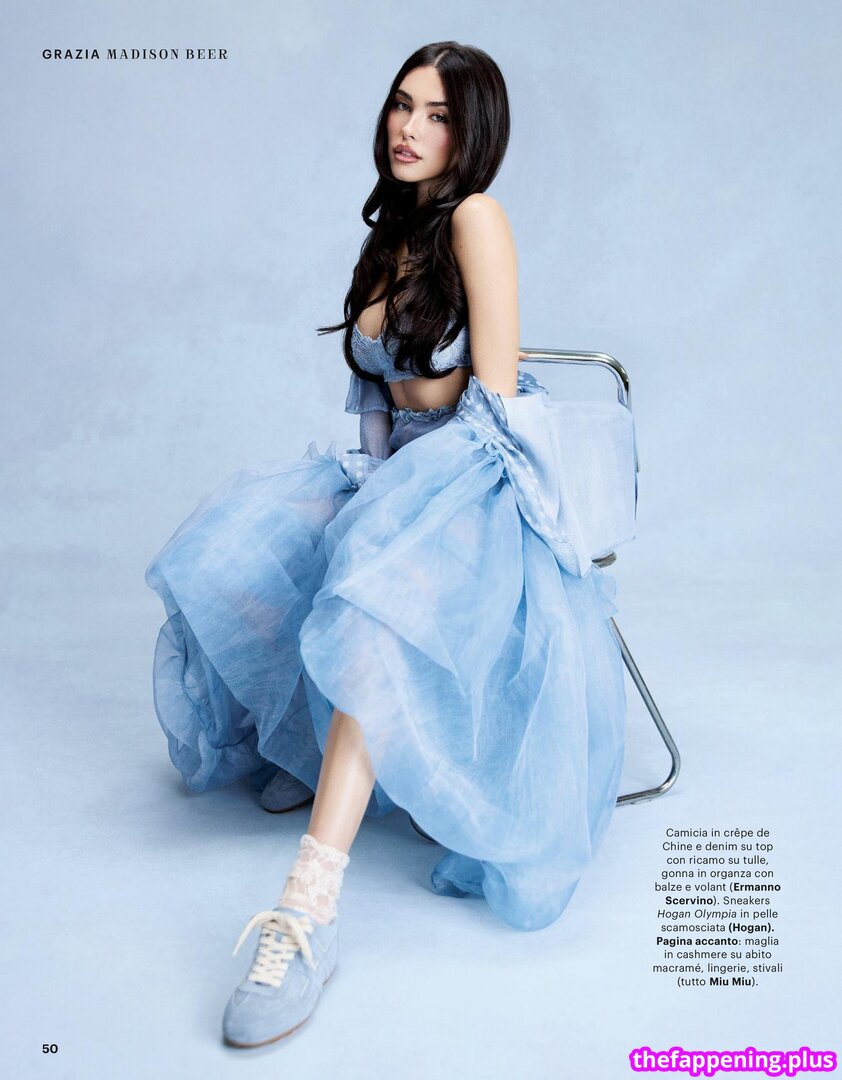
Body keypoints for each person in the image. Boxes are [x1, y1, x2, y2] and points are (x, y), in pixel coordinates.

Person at [144, 41, 627, 1050]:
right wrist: (364, 486)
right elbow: (370, 399)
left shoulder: (477, 218)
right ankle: (305, 740)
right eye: (402, 105)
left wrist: (403, 504)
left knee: (369, 605)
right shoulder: (390, 236)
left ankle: (308, 908)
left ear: (472, 132)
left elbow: (496, 402)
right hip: (393, 467)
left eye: (437, 115)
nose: (409, 128)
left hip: (472, 476)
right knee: (226, 555)